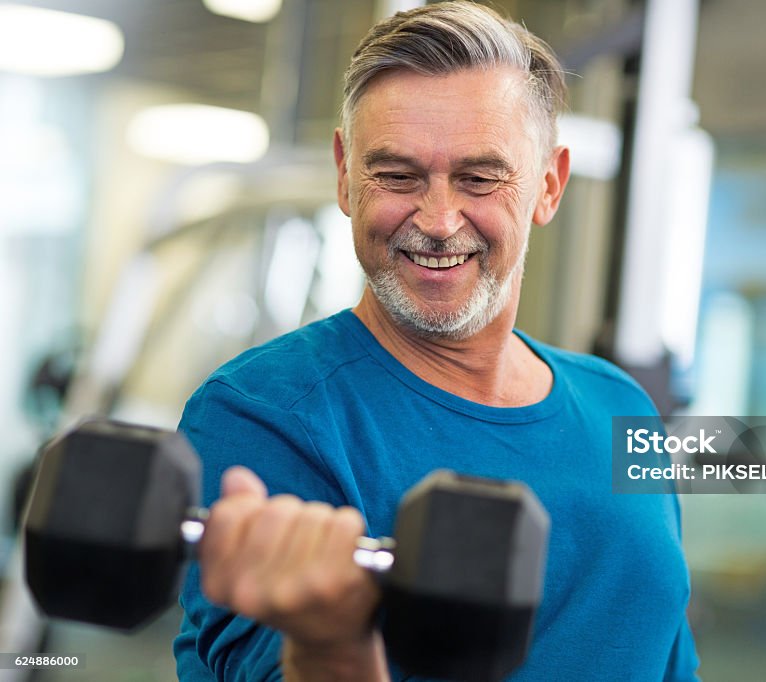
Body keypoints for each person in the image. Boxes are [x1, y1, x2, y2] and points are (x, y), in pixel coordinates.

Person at [173, 2, 700, 680]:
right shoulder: (258, 415)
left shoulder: (620, 405)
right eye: (397, 176)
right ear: (343, 173)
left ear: (549, 184)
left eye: (480, 178)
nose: (440, 220)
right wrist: (331, 641)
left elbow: (670, 657)